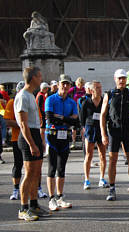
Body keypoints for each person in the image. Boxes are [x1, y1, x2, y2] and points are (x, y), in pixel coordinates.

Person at [100, 69, 129, 201]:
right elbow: (102, 115)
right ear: (115, 79)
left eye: (123, 78)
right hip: (114, 131)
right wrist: (103, 134)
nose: (121, 80)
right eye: (119, 78)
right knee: (112, 160)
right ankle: (112, 189)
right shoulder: (109, 94)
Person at [15, 67, 49, 221]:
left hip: (35, 134)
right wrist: (32, 144)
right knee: (29, 174)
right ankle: (23, 208)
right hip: (27, 136)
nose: (41, 78)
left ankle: (34, 205)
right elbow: (23, 123)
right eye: (39, 75)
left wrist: (40, 141)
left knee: (36, 173)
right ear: (33, 77)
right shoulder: (22, 95)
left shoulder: (31, 95)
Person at [44, 74, 78, 211]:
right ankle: (51, 198)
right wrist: (66, 119)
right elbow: (50, 118)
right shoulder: (50, 99)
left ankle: (60, 196)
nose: (65, 86)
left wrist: (61, 118)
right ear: (58, 84)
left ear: (70, 86)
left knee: (61, 169)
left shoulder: (72, 102)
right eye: (62, 83)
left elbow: (75, 120)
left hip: (65, 136)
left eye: (67, 84)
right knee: (52, 168)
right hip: (52, 135)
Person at [81, 81, 109, 189]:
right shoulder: (86, 102)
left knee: (102, 155)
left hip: (101, 129)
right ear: (92, 90)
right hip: (90, 129)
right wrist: (83, 129)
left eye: (100, 87)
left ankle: (102, 178)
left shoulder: (104, 101)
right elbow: (82, 118)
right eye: (97, 88)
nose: (99, 90)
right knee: (89, 154)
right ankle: (86, 179)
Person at [69, 77, 86, 150]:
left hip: (82, 110)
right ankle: (73, 142)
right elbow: (66, 93)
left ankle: (83, 142)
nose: (80, 86)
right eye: (79, 84)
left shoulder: (84, 89)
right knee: (74, 127)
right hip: (74, 110)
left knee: (82, 126)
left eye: (82, 84)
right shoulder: (73, 89)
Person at [36, 82, 49, 151]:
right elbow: (40, 107)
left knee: (43, 130)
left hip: (41, 115)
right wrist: (42, 116)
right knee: (42, 131)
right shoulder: (41, 95)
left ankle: (43, 145)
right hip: (41, 115)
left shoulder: (41, 95)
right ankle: (42, 145)